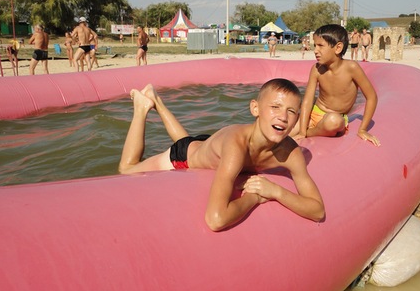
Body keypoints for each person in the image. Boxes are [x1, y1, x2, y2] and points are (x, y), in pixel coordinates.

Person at [119, 79, 325, 231]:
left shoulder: (291, 153)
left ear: (298, 118)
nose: (283, 117)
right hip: (183, 156)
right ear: (255, 108)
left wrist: (276, 191)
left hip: (209, 145)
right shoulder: (237, 146)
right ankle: (141, 108)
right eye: (275, 107)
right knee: (127, 169)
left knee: (191, 143)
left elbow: (317, 210)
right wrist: (254, 197)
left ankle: (156, 100)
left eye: (291, 111)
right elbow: (215, 219)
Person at [292, 24, 380, 146]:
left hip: (335, 119)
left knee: (333, 121)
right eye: (315, 46)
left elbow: (372, 97)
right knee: (284, 134)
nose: (315, 50)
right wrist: (301, 130)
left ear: (338, 48)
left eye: (320, 46)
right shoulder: (317, 69)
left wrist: (362, 129)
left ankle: (310, 132)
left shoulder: (352, 68)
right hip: (314, 114)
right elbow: (307, 100)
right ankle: (307, 131)